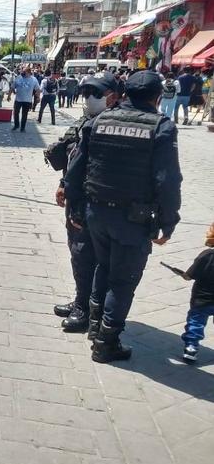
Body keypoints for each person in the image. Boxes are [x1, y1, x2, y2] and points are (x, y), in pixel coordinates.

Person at [65, 70, 183, 363]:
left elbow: (75, 169)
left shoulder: (100, 121)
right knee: (122, 280)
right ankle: (106, 342)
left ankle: (95, 326)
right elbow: (167, 180)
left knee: (103, 268)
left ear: (124, 94)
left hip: (95, 212)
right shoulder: (161, 128)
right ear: (158, 98)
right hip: (133, 219)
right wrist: (168, 222)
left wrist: (74, 208)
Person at [49, 74, 120, 335]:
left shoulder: (114, 124)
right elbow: (74, 158)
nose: (90, 97)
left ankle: (89, 310)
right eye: (87, 91)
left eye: (96, 92)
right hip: (78, 196)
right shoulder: (86, 122)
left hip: (97, 202)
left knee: (90, 256)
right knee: (79, 254)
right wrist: (64, 184)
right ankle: (81, 301)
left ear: (113, 95)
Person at [178, 223, 214, 363]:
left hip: (202, 299)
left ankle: (191, 347)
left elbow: (190, 275)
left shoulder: (206, 256)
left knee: (196, 323)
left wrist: (183, 274)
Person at [11, 67, 40, 132]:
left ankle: (22, 128)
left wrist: (38, 97)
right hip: (18, 99)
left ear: (29, 73)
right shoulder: (19, 77)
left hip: (27, 100)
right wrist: (12, 93)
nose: (22, 73)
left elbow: (37, 89)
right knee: (15, 112)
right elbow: (13, 86)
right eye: (22, 71)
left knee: (24, 114)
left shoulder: (34, 79)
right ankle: (16, 125)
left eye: (24, 72)